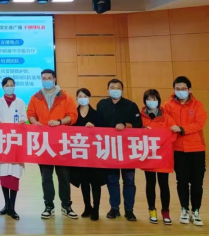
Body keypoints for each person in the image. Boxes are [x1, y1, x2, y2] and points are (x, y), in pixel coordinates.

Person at [27, 68, 78, 220]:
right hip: (44, 144)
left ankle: (66, 205)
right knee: (46, 177)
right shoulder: (35, 97)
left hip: (61, 143)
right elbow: (30, 114)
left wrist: (59, 122)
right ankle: (49, 205)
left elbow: (73, 116)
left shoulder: (65, 97)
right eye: (44, 78)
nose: (46, 80)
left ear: (54, 79)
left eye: (49, 78)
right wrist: (35, 122)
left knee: (64, 177)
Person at [163, 76, 207, 226]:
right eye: (177, 89)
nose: (180, 91)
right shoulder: (167, 105)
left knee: (197, 182)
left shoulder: (198, 105)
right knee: (181, 181)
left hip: (196, 149)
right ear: (174, 90)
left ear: (189, 90)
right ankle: (184, 209)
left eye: (183, 89)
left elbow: (199, 123)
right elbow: (164, 122)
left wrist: (182, 129)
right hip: (177, 149)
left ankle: (196, 211)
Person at [96, 78, 142, 222]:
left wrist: (125, 125)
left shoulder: (131, 105)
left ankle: (129, 210)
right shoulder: (102, 104)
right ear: (108, 89)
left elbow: (138, 124)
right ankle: (114, 208)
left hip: (127, 149)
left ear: (122, 90)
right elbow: (98, 123)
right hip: (109, 149)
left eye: (117, 87)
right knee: (112, 180)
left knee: (129, 180)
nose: (115, 90)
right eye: (112, 87)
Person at [0, 77, 27, 220]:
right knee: (4, 175)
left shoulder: (21, 102)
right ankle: (6, 204)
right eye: (7, 85)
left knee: (14, 175)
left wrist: (24, 122)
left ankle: (12, 207)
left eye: (12, 85)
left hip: (16, 143)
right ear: (3, 87)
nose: (10, 87)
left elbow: (24, 118)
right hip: (2, 143)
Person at [141, 89, 176, 225]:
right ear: (145, 101)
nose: (152, 102)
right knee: (150, 184)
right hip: (149, 155)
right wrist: (143, 131)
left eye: (154, 99)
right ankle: (152, 210)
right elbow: (134, 132)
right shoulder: (141, 116)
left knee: (164, 184)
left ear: (159, 100)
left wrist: (163, 136)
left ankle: (165, 212)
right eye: (149, 99)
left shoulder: (166, 116)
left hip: (163, 155)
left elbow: (173, 132)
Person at [72, 88, 105, 222]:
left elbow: (104, 132)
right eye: (80, 96)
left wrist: (94, 127)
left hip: (94, 155)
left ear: (89, 98)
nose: (82, 98)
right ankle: (87, 207)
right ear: (76, 98)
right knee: (84, 182)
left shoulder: (96, 114)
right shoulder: (73, 114)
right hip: (80, 154)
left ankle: (96, 209)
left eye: (85, 96)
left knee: (95, 183)